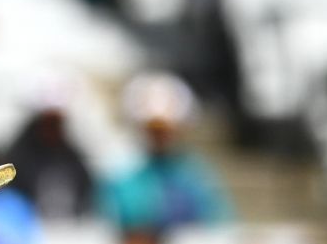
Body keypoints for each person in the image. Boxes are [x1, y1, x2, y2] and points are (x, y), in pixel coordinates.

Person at [99, 73, 232, 232]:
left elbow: (219, 224)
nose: (159, 135)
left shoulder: (197, 176)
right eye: (153, 129)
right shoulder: (121, 174)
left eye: (165, 129)